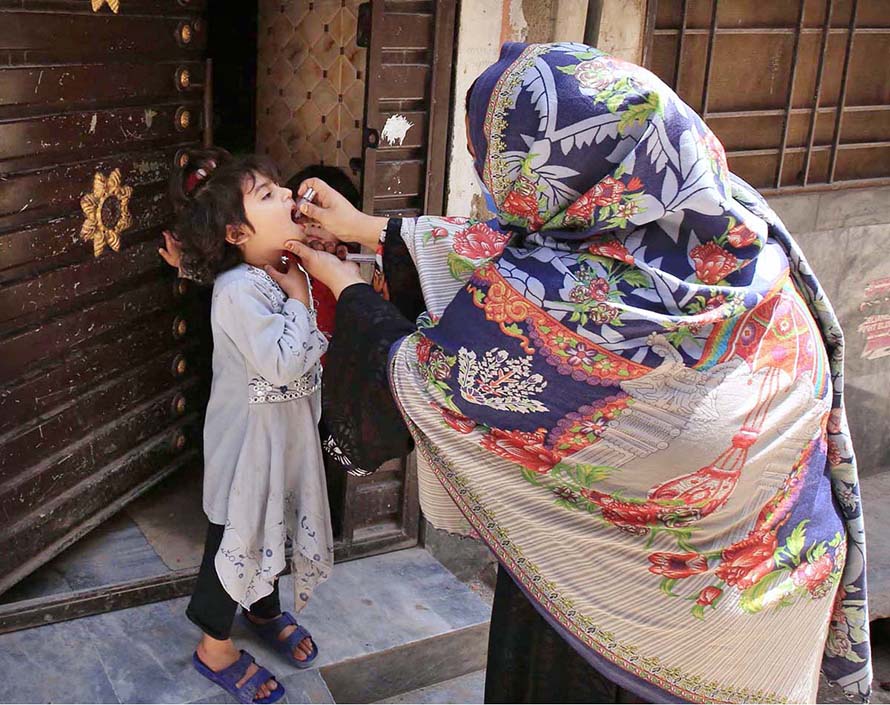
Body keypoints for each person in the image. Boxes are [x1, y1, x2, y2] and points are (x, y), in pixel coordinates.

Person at [282, 43, 872, 704]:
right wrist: (366, 228)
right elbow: (518, 249)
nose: (488, 189)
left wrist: (342, 283)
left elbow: (420, 377)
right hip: (771, 610)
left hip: (612, 633)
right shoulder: (726, 222)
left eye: (497, 168)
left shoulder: (542, 318)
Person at [163, 148, 333, 704]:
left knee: (273, 527)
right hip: (247, 450)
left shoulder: (280, 264)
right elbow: (282, 360)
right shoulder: (243, 288)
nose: (287, 195)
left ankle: (263, 611)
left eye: (279, 187)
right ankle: (215, 646)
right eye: (268, 195)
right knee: (234, 538)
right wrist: (302, 299)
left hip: (283, 437)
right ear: (237, 231)